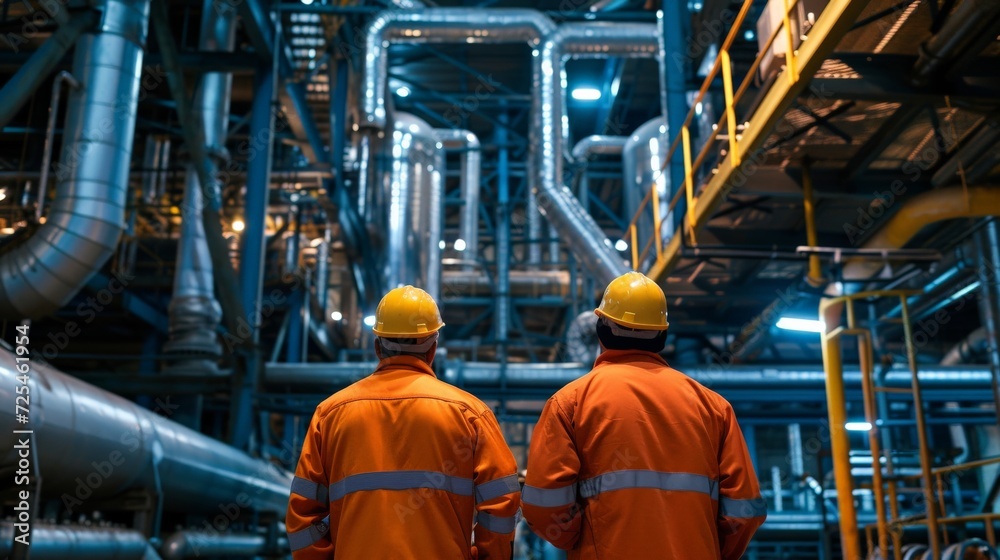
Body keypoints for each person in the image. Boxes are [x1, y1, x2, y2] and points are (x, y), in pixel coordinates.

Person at [522, 272, 766, 559]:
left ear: (601, 331)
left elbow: (544, 505)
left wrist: (583, 541)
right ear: (662, 335)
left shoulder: (570, 403)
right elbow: (744, 510)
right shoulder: (713, 406)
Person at [287, 286, 521, 559]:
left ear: (377, 347)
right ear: (432, 349)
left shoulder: (329, 414)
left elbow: (302, 518)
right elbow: (502, 504)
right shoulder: (470, 414)